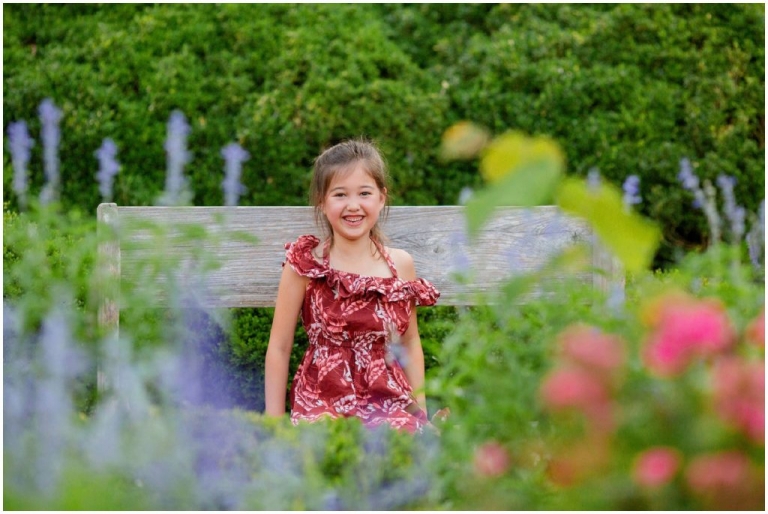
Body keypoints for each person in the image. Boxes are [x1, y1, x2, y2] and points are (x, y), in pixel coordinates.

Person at [264, 139, 439, 433]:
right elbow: (280, 348)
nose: (353, 205)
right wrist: (273, 425)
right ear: (322, 201)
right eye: (340, 194)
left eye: (365, 193)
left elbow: (409, 342)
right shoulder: (306, 266)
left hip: (389, 401)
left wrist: (421, 411)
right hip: (322, 400)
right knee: (327, 452)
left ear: (382, 198)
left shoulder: (400, 265)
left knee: (411, 448)